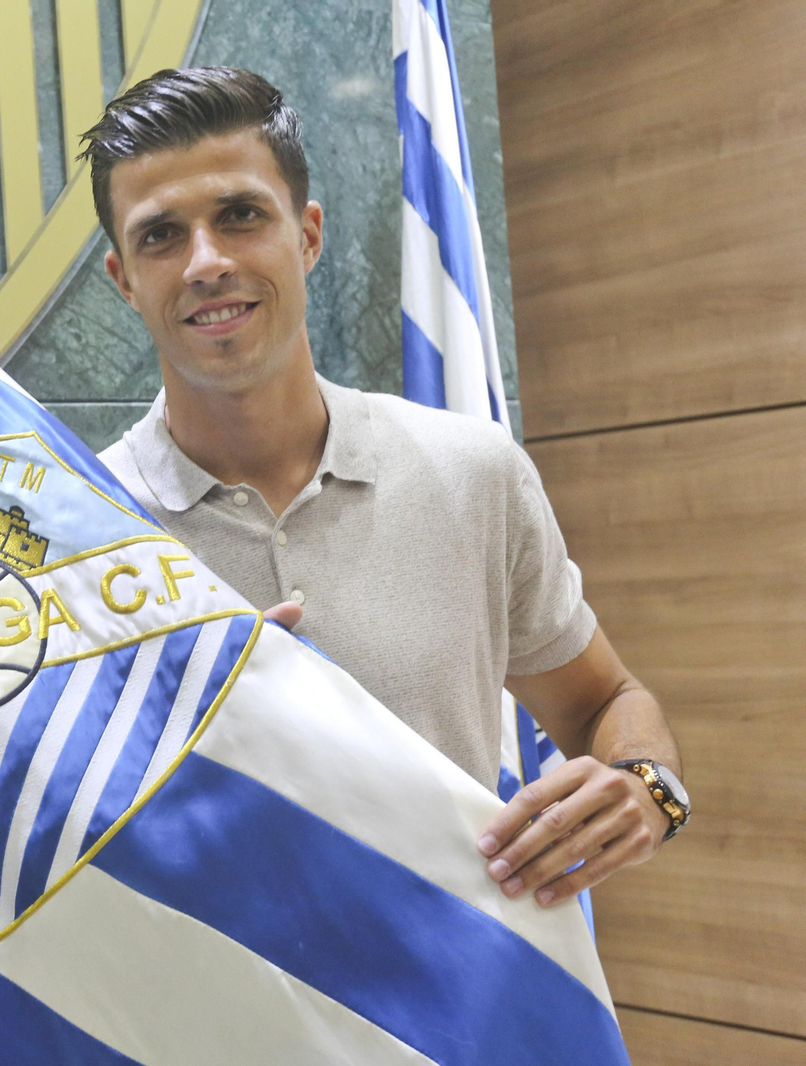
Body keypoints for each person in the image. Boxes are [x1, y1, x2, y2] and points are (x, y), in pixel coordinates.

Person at [81, 67, 688, 908]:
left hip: (457, 1014)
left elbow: (605, 700)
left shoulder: (474, 472)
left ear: (308, 235)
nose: (206, 263)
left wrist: (647, 786)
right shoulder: (74, 530)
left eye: (240, 215)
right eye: (161, 236)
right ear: (122, 278)